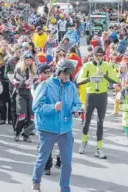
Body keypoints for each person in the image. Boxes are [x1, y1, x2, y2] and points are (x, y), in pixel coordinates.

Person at [31, 59, 81, 192]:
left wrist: (76, 110)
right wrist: (53, 107)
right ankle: (36, 183)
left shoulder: (71, 87)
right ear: (58, 71)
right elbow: (36, 107)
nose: (66, 76)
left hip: (65, 129)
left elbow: (77, 102)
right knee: (43, 159)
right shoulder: (45, 85)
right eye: (64, 73)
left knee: (67, 163)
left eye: (69, 74)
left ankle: (65, 188)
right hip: (47, 128)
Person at [77, 47, 118, 158]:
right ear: (93, 55)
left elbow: (116, 80)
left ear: (103, 56)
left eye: (100, 55)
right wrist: (90, 78)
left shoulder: (107, 65)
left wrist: (104, 75)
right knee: (87, 121)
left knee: (101, 122)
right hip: (90, 95)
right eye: (96, 55)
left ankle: (99, 148)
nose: (98, 57)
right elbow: (79, 81)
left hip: (102, 95)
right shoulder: (87, 65)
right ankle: (83, 141)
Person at [13, 51, 36, 142]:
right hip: (21, 93)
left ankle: (26, 134)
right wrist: (24, 83)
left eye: (30, 60)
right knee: (22, 115)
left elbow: (37, 80)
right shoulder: (19, 69)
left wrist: (34, 81)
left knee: (31, 115)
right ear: (23, 60)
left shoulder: (33, 69)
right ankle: (17, 132)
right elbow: (15, 83)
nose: (29, 62)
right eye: (27, 60)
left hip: (30, 94)